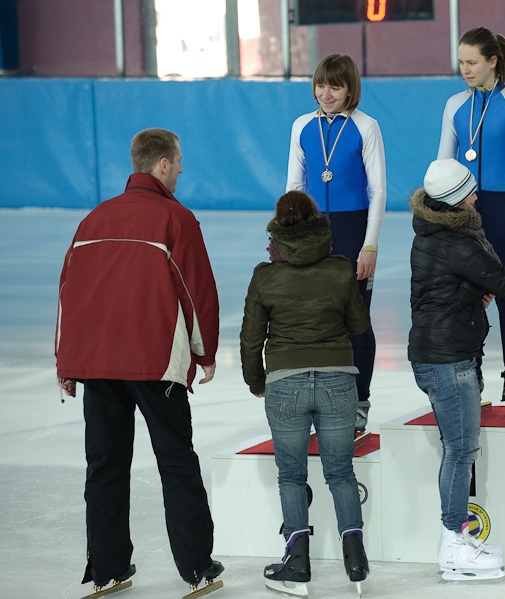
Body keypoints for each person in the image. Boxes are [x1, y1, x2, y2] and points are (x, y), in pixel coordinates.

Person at [55, 128, 224, 595]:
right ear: (163, 165)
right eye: (180, 161)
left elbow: (67, 294)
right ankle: (197, 568)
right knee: (176, 460)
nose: (183, 169)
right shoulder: (177, 218)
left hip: (96, 365)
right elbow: (197, 293)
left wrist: (65, 362)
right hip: (154, 363)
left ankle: (108, 568)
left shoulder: (93, 219)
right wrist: (204, 352)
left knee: (104, 466)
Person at [408, 158, 505, 580]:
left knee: (458, 450)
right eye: (471, 191)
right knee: (460, 452)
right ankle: (453, 544)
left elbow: (440, 292)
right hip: (447, 359)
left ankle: (457, 537)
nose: (477, 197)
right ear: (457, 199)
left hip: (439, 351)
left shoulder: (431, 232)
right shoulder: (457, 242)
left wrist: (470, 295)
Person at [240, 190, 370, 596]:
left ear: (278, 227)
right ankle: (356, 560)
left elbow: (249, 340)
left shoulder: (264, 275)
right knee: (341, 472)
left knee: (292, 475)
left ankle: (297, 564)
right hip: (337, 380)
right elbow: (359, 326)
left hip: (285, 384)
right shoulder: (340, 268)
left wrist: (257, 382)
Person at [437, 27, 505, 417]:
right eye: (461, 61)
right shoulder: (453, 105)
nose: (464, 69)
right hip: (463, 207)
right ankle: (472, 370)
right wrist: (441, 208)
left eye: (472, 62)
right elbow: (443, 163)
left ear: (492, 61)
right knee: (466, 292)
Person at [286, 53, 385, 434]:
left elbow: (377, 190)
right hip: (311, 233)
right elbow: (294, 185)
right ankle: (322, 402)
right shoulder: (301, 126)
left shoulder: (366, 126)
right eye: (321, 85)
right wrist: (287, 236)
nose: (326, 94)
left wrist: (370, 244)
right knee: (314, 322)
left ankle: (359, 402)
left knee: (355, 321)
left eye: (335, 87)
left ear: (350, 90)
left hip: (352, 230)